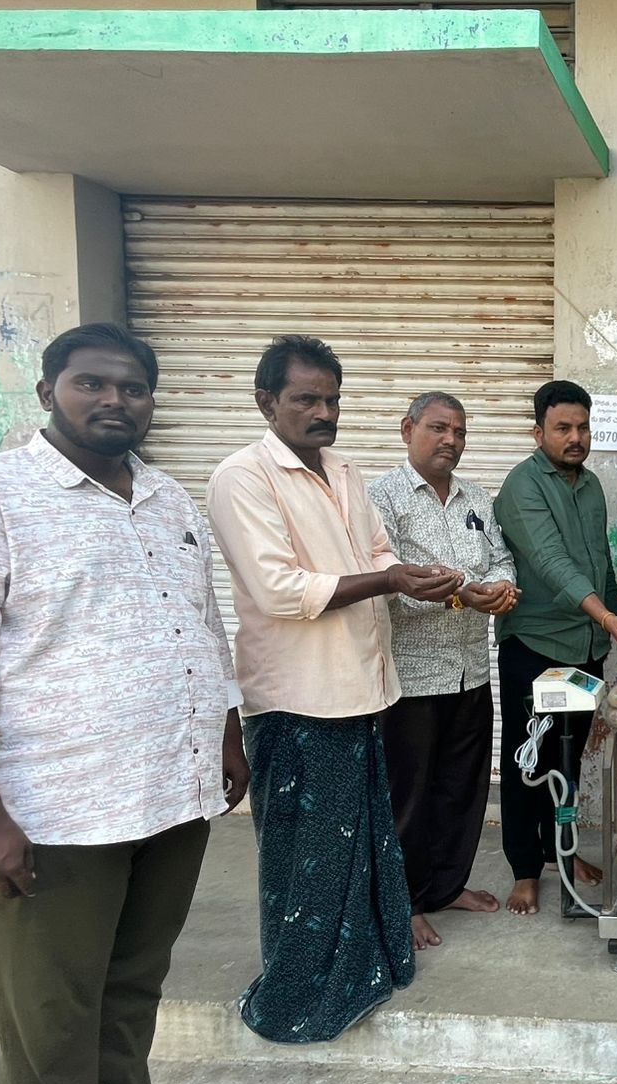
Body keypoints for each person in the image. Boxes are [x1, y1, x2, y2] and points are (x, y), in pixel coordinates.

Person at [0, 324, 243, 1084]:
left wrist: (226, 731)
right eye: (91, 383)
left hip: (172, 794)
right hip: (56, 812)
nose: (114, 401)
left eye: (132, 387)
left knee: (132, 987)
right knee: (50, 1023)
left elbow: (202, 625)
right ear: (47, 392)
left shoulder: (169, 500)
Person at [207, 334, 462, 1042]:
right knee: (309, 862)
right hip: (297, 699)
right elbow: (279, 589)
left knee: (360, 843)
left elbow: (378, 553)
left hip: (359, 686)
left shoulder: (345, 471)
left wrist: (409, 576)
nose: (324, 412)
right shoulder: (242, 477)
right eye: (306, 399)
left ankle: (363, 972)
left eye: (332, 399)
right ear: (267, 402)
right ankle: (298, 996)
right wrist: (388, 578)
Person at [495, 380, 617, 915]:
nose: (575, 437)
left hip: (585, 645)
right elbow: (551, 563)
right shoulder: (522, 486)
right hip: (535, 645)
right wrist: (605, 616)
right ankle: (525, 868)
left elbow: (598, 560)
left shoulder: (590, 485)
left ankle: (559, 851)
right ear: (538, 431)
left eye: (582, 427)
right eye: (562, 428)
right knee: (529, 760)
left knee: (568, 756)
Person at [370, 392, 520, 949]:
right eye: (438, 428)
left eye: (458, 431)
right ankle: (403, 903)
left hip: (470, 670)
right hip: (412, 677)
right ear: (406, 429)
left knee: (461, 789)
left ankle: (445, 887)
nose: (450, 440)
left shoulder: (475, 497)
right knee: (409, 796)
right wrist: (463, 594)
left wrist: (502, 587)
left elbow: (501, 557)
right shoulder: (380, 498)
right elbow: (385, 579)